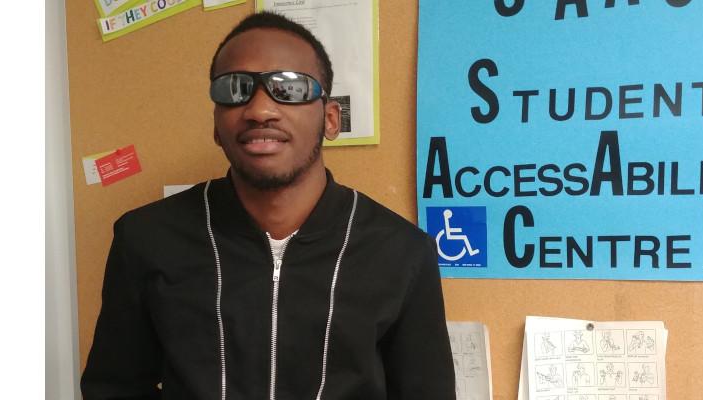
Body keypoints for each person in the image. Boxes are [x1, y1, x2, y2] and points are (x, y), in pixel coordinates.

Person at [80, 11, 455, 400]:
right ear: (216, 123)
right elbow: (114, 388)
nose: (259, 110)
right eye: (234, 88)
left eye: (289, 88)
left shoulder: (401, 253)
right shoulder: (146, 239)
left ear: (330, 119)